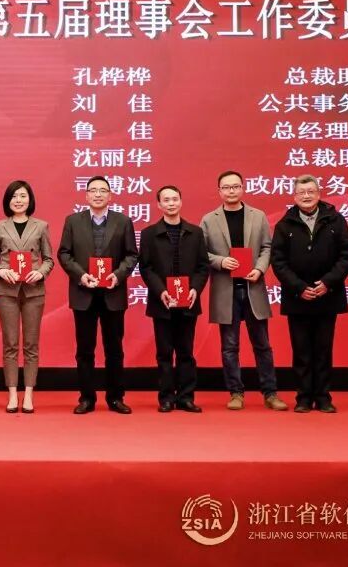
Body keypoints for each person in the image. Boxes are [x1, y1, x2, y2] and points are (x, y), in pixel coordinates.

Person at [200, 170, 288, 411]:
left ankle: (270, 393)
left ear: (242, 188)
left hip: (253, 287)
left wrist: (259, 269)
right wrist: (220, 261)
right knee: (230, 346)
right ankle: (236, 393)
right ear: (219, 191)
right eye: (226, 187)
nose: (231, 191)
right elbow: (200, 252)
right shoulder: (209, 219)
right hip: (225, 289)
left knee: (262, 345)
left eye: (235, 186)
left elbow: (267, 247)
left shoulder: (257, 216)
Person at [271, 174, 348, 413]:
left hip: (327, 295)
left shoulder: (335, 220)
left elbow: (347, 254)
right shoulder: (285, 224)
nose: (306, 196)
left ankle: (323, 397)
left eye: (310, 191)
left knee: (323, 349)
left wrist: (328, 282)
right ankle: (304, 397)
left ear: (319, 194)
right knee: (301, 350)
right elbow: (278, 261)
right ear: (294, 196)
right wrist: (299, 287)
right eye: (301, 192)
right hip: (297, 297)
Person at [58, 176, 139, 415]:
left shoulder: (123, 221)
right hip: (83, 293)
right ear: (86, 195)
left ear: (110, 195)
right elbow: (64, 254)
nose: (98, 194)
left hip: (113, 293)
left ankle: (115, 398)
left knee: (114, 349)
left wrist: (118, 275)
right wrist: (81, 275)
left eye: (103, 190)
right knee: (85, 350)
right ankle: (86, 398)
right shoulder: (73, 221)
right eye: (93, 190)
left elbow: (131, 255)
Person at [138, 186, 210, 413]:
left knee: (186, 352)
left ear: (181, 201)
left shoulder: (195, 232)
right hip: (162, 302)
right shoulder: (149, 234)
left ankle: (186, 397)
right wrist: (160, 291)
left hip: (188, 301)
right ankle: (166, 398)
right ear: (159, 204)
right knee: (164, 353)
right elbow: (146, 268)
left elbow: (203, 266)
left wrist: (195, 289)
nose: (171, 203)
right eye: (166, 200)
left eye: (175, 199)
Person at [0, 180, 54, 414]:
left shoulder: (41, 226)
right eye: (14, 196)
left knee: (31, 344)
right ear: (8, 201)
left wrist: (40, 272)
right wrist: (1, 271)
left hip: (34, 291)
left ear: (30, 199)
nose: (18, 200)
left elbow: (49, 259)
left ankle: (29, 394)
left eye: (23, 196)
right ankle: (12, 394)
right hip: (7, 291)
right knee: (10, 344)